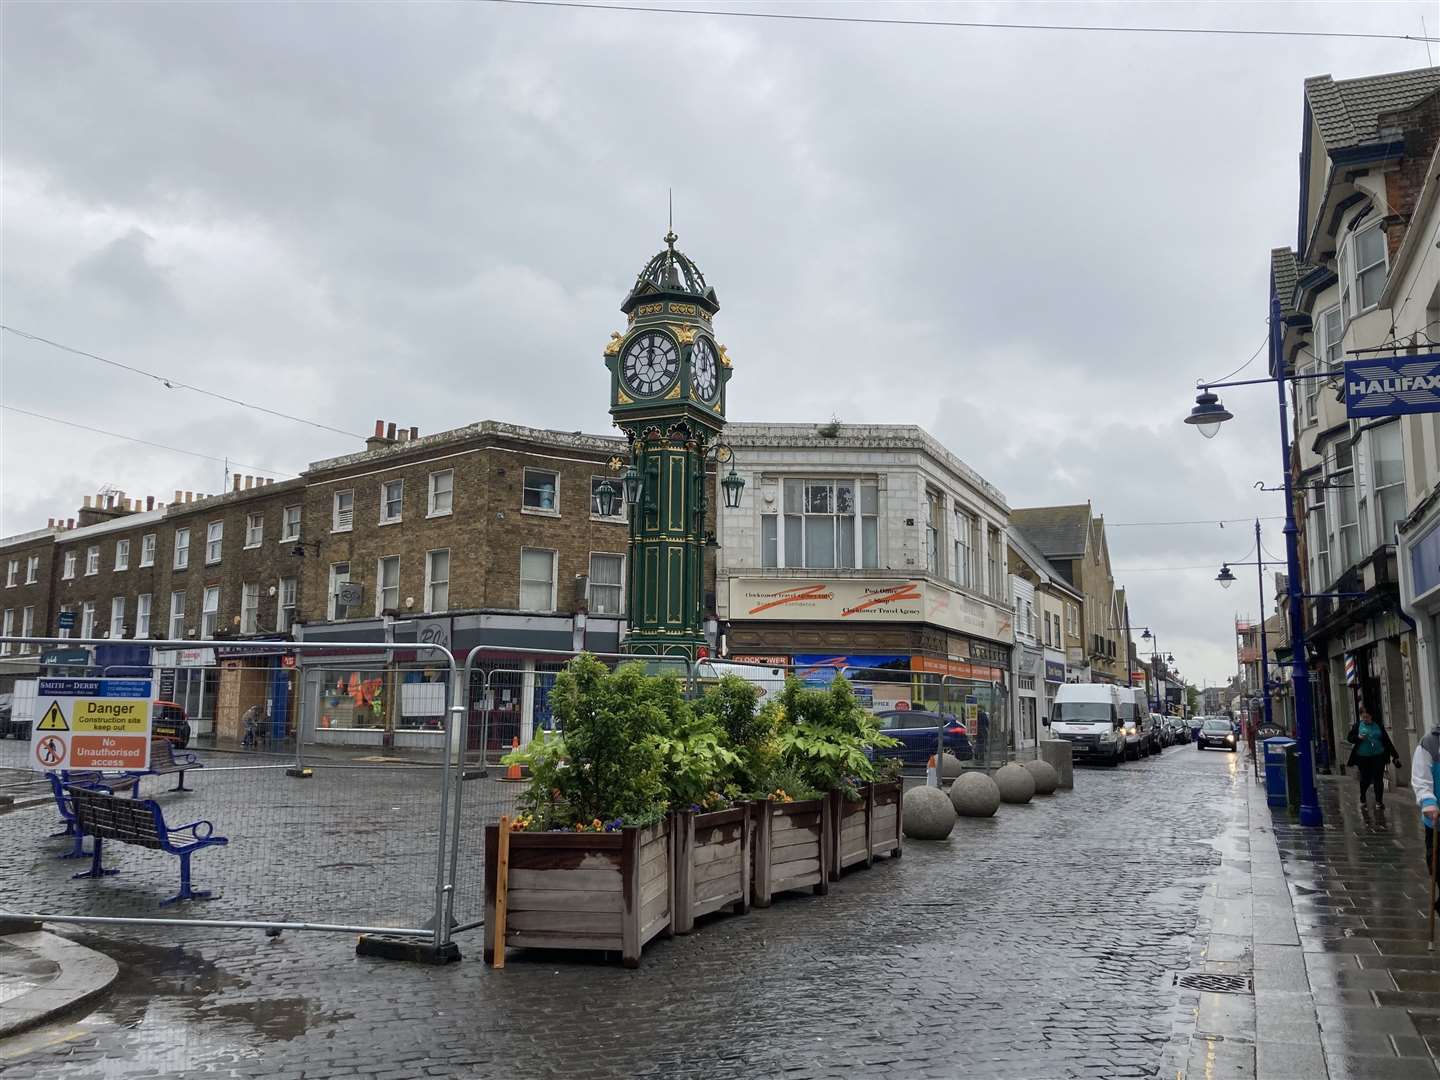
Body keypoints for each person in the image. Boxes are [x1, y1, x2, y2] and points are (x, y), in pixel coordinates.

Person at [1348, 705, 1401, 827]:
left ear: (1371, 716)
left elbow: (1386, 741)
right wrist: (1358, 738)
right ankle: (1362, 795)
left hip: (1378, 755)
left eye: (1367, 716)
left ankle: (1379, 801)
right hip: (1363, 757)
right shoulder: (1357, 726)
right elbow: (1350, 738)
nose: (1365, 719)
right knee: (1365, 779)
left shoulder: (1378, 726)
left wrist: (1395, 755)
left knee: (1378, 778)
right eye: (1363, 716)